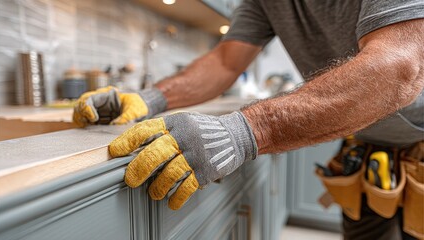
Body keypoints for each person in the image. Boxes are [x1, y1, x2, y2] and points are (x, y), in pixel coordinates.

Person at [73, 1, 424, 239]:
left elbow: (400, 67)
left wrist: (247, 130)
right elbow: (226, 61)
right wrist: (149, 98)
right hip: (368, 147)